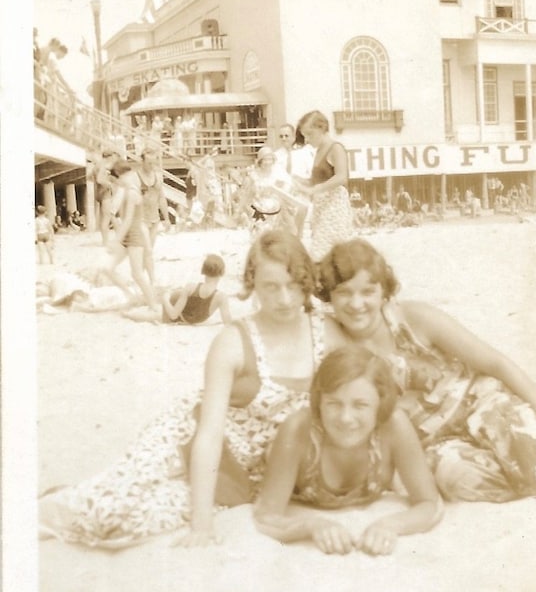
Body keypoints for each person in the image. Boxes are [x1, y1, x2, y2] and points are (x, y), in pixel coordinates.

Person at [38, 230, 339, 548]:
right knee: (103, 510)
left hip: (240, 477)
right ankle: (44, 508)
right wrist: (202, 526)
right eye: (271, 286)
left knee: (126, 526)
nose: (284, 298)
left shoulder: (327, 334)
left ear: (307, 279)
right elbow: (209, 433)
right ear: (252, 285)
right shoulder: (234, 342)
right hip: (186, 438)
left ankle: (78, 494)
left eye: (293, 285)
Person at [316, 238, 536, 503]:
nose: (356, 303)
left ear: (383, 291)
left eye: (367, 292)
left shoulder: (414, 319)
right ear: (329, 296)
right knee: (458, 479)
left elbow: (495, 363)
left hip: (481, 404)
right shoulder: (337, 344)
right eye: (344, 292)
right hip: (435, 442)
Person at [253, 345, 442, 555]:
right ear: (319, 402)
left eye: (360, 405)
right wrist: (311, 525)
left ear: (381, 403)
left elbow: (429, 504)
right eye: (334, 403)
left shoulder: (394, 425)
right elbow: (266, 516)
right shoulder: (298, 429)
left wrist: (390, 525)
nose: (345, 418)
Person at [99, 160, 159, 315]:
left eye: (117, 179)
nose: (117, 182)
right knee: (107, 268)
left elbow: (128, 220)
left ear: (124, 176)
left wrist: (115, 240)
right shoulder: (126, 190)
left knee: (137, 273)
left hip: (134, 235)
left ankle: (153, 305)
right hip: (128, 234)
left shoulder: (132, 192)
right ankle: (131, 295)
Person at [292, 110, 353, 261]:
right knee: (325, 252)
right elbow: (319, 180)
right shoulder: (319, 150)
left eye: (309, 134)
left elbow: (341, 177)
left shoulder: (335, 147)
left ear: (321, 128)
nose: (306, 139)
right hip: (322, 206)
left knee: (324, 252)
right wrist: (298, 181)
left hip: (334, 206)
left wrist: (314, 189)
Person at [125, 254, 232, 325]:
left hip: (177, 311)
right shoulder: (221, 297)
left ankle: (127, 313)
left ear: (203, 271)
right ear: (222, 273)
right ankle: (137, 305)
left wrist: (165, 299)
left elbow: (173, 315)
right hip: (186, 314)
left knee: (154, 311)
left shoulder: (191, 287)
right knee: (156, 307)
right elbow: (228, 323)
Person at [274, 123, 311, 238]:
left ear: (294, 137)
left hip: (300, 195)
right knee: (287, 232)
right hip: (284, 197)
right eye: (281, 136)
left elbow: (312, 176)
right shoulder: (276, 156)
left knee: (299, 231)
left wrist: (300, 182)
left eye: (286, 135)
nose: (284, 138)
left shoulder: (304, 153)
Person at [138, 148, 169, 285]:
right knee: (148, 250)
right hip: (140, 219)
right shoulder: (136, 177)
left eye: (154, 163)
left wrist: (166, 218)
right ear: (142, 161)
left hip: (154, 218)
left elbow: (161, 198)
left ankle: (139, 276)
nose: (152, 166)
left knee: (148, 250)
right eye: (149, 163)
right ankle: (152, 280)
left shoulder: (158, 177)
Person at [90, 150, 120, 246]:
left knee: (109, 216)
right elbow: (99, 179)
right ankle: (106, 242)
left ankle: (118, 238)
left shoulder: (96, 166)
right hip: (105, 193)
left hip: (99, 192)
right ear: (109, 157)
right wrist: (110, 184)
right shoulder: (103, 165)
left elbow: (90, 177)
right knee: (108, 217)